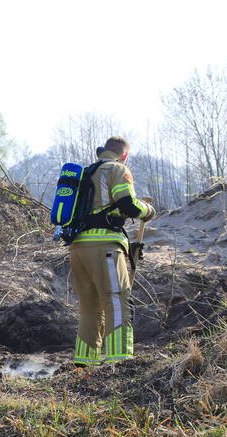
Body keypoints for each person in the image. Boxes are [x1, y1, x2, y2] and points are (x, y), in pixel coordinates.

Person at [70, 136, 156, 367]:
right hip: (105, 247)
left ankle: (84, 363)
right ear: (124, 155)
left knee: (90, 308)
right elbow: (128, 204)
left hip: (77, 248)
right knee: (117, 303)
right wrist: (148, 210)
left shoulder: (85, 173)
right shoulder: (117, 169)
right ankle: (120, 360)